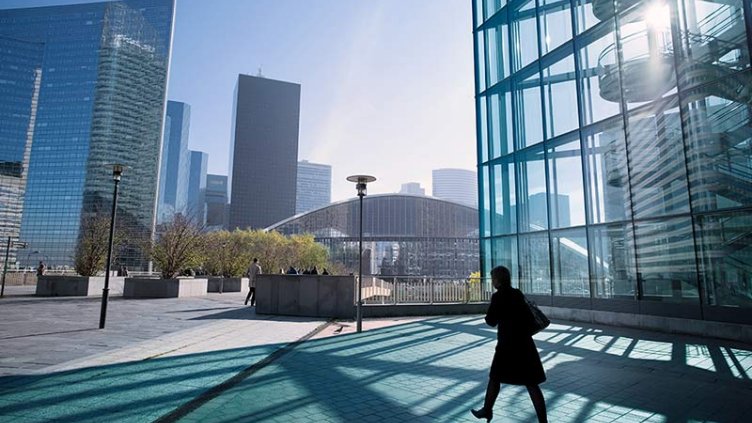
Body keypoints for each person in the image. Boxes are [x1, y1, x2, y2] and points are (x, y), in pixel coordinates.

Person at [471, 265, 547, 422]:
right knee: (531, 383)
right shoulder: (517, 293)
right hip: (525, 344)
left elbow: (491, 321)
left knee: (495, 378)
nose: (492, 281)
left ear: (497, 280)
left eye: (493, 278)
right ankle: (543, 421)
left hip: (507, 345)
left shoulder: (498, 297)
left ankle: (487, 410)